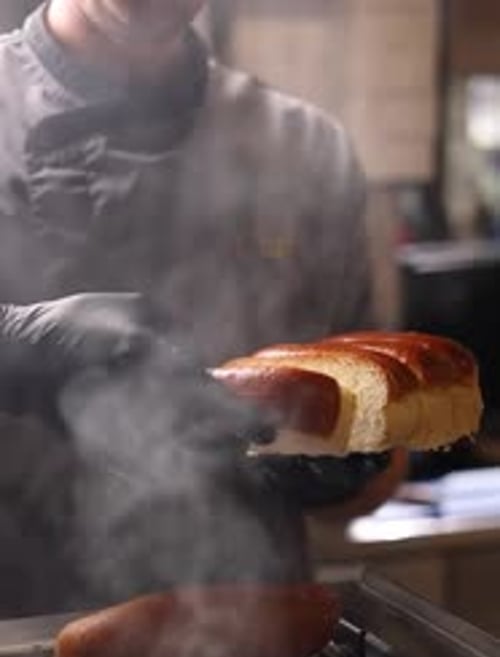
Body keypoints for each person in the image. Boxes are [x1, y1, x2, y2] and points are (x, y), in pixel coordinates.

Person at [0, 1, 406, 615]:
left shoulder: (306, 150)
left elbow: (383, 452)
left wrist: (349, 468)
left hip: (263, 650)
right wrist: (13, 343)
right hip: (22, 650)